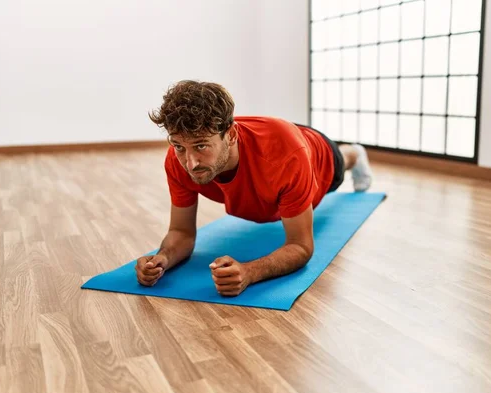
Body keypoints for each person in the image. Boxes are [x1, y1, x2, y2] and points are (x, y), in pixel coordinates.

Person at [135, 80, 373, 296]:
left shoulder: (287, 157)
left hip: (316, 153)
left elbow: (301, 246)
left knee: (341, 163)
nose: (190, 162)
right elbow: (182, 233)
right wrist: (162, 258)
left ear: (230, 135)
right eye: (179, 146)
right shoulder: (179, 161)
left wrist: (250, 272)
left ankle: (355, 153)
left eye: (201, 146)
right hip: (276, 140)